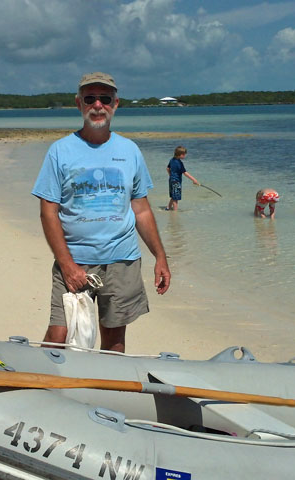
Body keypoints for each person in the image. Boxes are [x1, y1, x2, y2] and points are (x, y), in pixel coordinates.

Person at [31, 72, 171, 353]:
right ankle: (40, 386)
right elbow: (48, 212)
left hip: (122, 262)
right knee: (59, 335)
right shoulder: (60, 151)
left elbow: (141, 209)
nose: (98, 105)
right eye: (90, 98)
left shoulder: (129, 150)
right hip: (74, 261)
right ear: (79, 104)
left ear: (115, 104)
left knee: (114, 342)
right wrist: (67, 265)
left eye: (104, 99)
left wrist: (160, 256)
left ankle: (106, 391)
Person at [166, 146, 200, 211]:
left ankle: (168, 208)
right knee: (176, 198)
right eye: (184, 154)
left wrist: (171, 176)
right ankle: (175, 213)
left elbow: (167, 169)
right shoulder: (179, 163)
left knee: (174, 196)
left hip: (171, 180)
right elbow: (185, 173)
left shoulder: (172, 160)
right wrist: (194, 180)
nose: (185, 156)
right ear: (180, 155)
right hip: (176, 182)